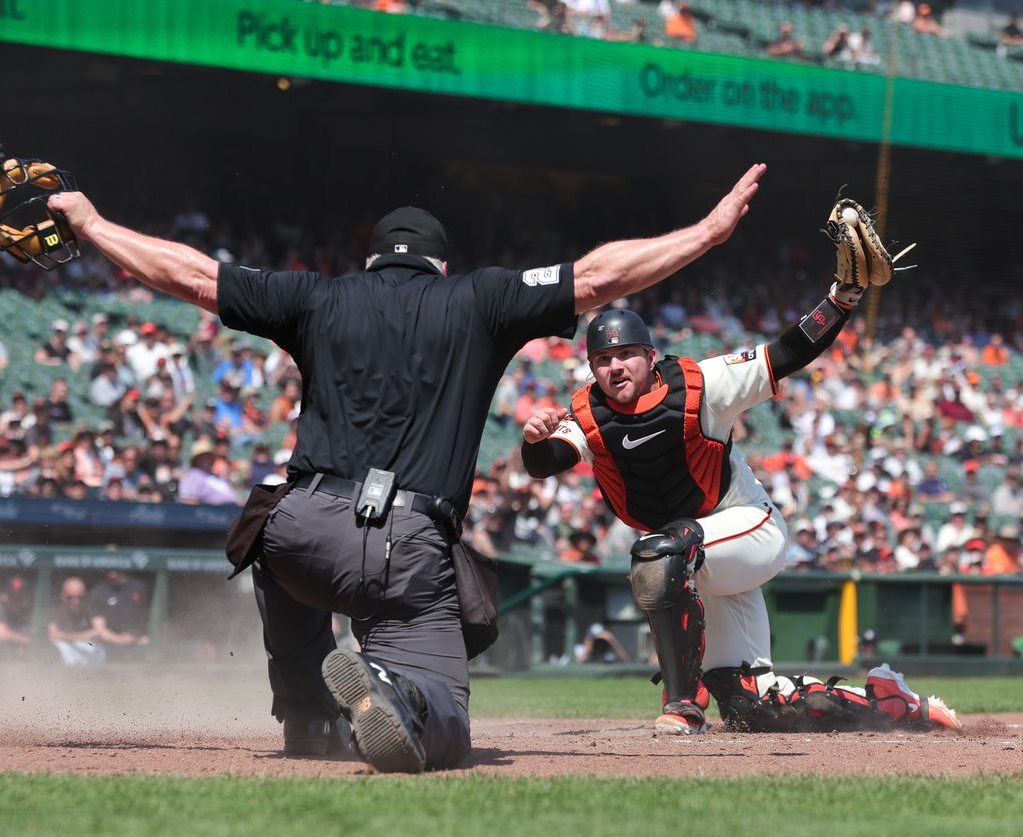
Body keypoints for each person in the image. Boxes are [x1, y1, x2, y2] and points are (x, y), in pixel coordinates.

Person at [46, 165, 766, 771]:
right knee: (443, 725)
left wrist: (92, 224)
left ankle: (305, 715)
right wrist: (706, 233)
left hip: (305, 528)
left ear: (372, 263)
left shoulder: (315, 297)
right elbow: (601, 276)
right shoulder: (481, 298)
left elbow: (197, 278)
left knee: (272, 522)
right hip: (407, 546)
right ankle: (401, 692)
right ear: (439, 265)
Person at [522, 284, 962, 736]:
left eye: (627, 354)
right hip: (695, 559)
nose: (614, 366)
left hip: (748, 528)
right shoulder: (588, 413)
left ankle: (682, 705)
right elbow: (546, 462)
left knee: (658, 552)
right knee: (754, 708)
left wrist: (840, 301)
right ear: (591, 367)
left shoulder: (701, 383)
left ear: (651, 357)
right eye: (602, 359)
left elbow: (786, 353)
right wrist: (533, 440)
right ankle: (891, 704)